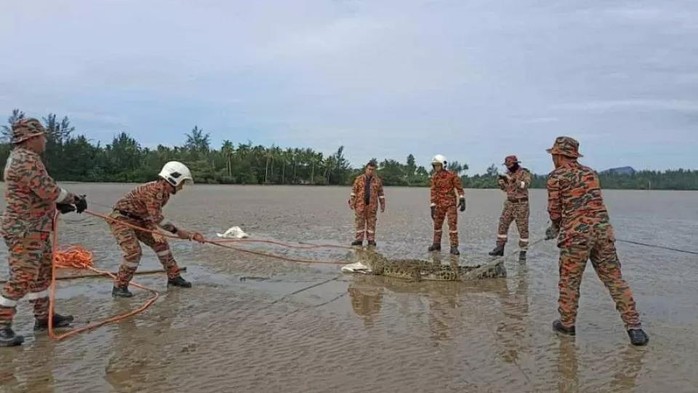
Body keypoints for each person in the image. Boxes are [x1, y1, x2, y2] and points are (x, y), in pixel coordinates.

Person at [544, 136, 649, 346]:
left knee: (569, 282)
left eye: (554, 155)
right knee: (615, 280)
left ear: (559, 155)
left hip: (575, 237)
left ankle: (567, 325)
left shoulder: (556, 176)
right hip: (602, 233)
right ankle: (635, 328)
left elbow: (554, 210)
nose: (553, 158)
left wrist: (555, 227)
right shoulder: (591, 173)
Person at [0, 118, 87, 347]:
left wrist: (59, 205)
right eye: (41, 136)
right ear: (31, 138)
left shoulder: (26, 158)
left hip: (36, 229)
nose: (45, 140)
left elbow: (40, 193)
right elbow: (48, 190)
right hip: (24, 230)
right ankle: (2, 327)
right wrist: (73, 199)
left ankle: (43, 318)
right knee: (21, 278)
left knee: (42, 276)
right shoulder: (25, 159)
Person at [109, 161, 205, 298]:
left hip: (142, 220)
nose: (182, 187)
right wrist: (179, 232)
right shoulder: (154, 191)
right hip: (121, 219)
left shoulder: (164, 194)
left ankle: (174, 278)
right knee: (133, 252)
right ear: (173, 179)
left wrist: (182, 233)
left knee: (161, 244)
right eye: (181, 183)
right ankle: (120, 286)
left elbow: (151, 216)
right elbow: (158, 218)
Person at [488, 155, 532, 262]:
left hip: (521, 204)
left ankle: (523, 252)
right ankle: (500, 248)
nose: (508, 167)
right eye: (506, 165)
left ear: (515, 163)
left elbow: (525, 185)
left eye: (510, 165)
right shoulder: (507, 174)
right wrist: (501, 183)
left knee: (522, 229)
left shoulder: (524, 173)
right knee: (503, 224)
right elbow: (505, 189)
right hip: (509, 203)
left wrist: (512, 179)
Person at [428, 154, 466, 255]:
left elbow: (459, 188)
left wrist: (462, 199)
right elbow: (433, 191)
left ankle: (454, 246)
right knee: (437, 225)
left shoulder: (452, 175)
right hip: (439, 205)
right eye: (434, 165)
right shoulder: (434, 177)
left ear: (443, 165)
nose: (436, 167)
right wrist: (432, 205)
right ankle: (436, 244)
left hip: (450, 205)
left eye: (438, 165)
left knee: (452, 225)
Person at [348, 159, 385, 247]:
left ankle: (371, 240)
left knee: (371, 223)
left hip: (372, 206)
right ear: (366, 169)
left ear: (374, 170)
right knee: (359, 223)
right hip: (360, 205)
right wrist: (352, 202)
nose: (370, 171)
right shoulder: (359, 179)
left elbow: (381, 194)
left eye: (372, 169)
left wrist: (382, 204)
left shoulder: (377, 181)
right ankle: (359, 240)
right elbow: (354, 191)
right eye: (369, 169)